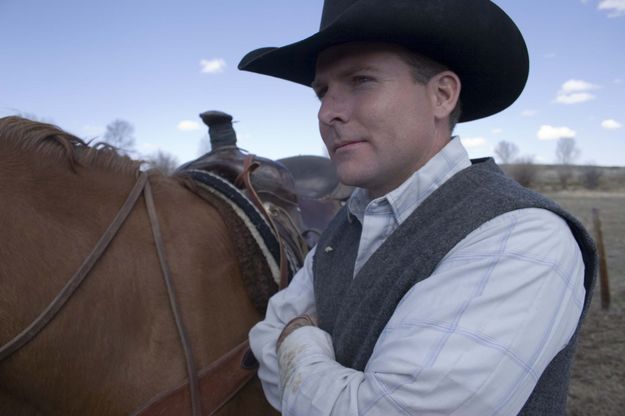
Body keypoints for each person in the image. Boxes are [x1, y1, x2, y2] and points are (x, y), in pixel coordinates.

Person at [238, 1, 597, 414]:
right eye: (322, 92)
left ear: (442, 95)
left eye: (360, 80)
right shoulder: (348, 225)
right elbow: (266, 338)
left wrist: (298, 342)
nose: (327, 112)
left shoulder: (522, 237)